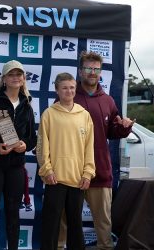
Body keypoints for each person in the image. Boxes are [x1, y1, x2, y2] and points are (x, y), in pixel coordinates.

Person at [57, 51, 135, 250]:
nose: (92, 72)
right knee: (63, 223)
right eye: (88, 68)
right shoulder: (69, 97)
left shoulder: (108, 100)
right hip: (71, 172)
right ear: (80, 71)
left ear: (100, 72)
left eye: (96, 69)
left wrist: (124, 127)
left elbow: (113, 132)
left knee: (103, 225)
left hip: (100, 171)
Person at [0, 60, 37, 250]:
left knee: (13, 213)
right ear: (4, 79)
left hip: (15, 167)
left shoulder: (27, 104)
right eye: (11, 74)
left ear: (23, 78)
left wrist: (24, 145)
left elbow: (32, 138)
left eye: (19, 74)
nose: (15, 78)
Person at [37, 73, 95, 250]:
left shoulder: (84, 115)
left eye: (71, 87)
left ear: (75, 89)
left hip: (78, 179)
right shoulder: (49, 114)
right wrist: (47, 170)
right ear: (57, 90)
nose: (68, 91)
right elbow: (42, 146)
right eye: (64, 88)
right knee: (51, 225)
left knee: (76, 224)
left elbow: (89, 147)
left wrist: (88, 173)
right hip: (55, 179)